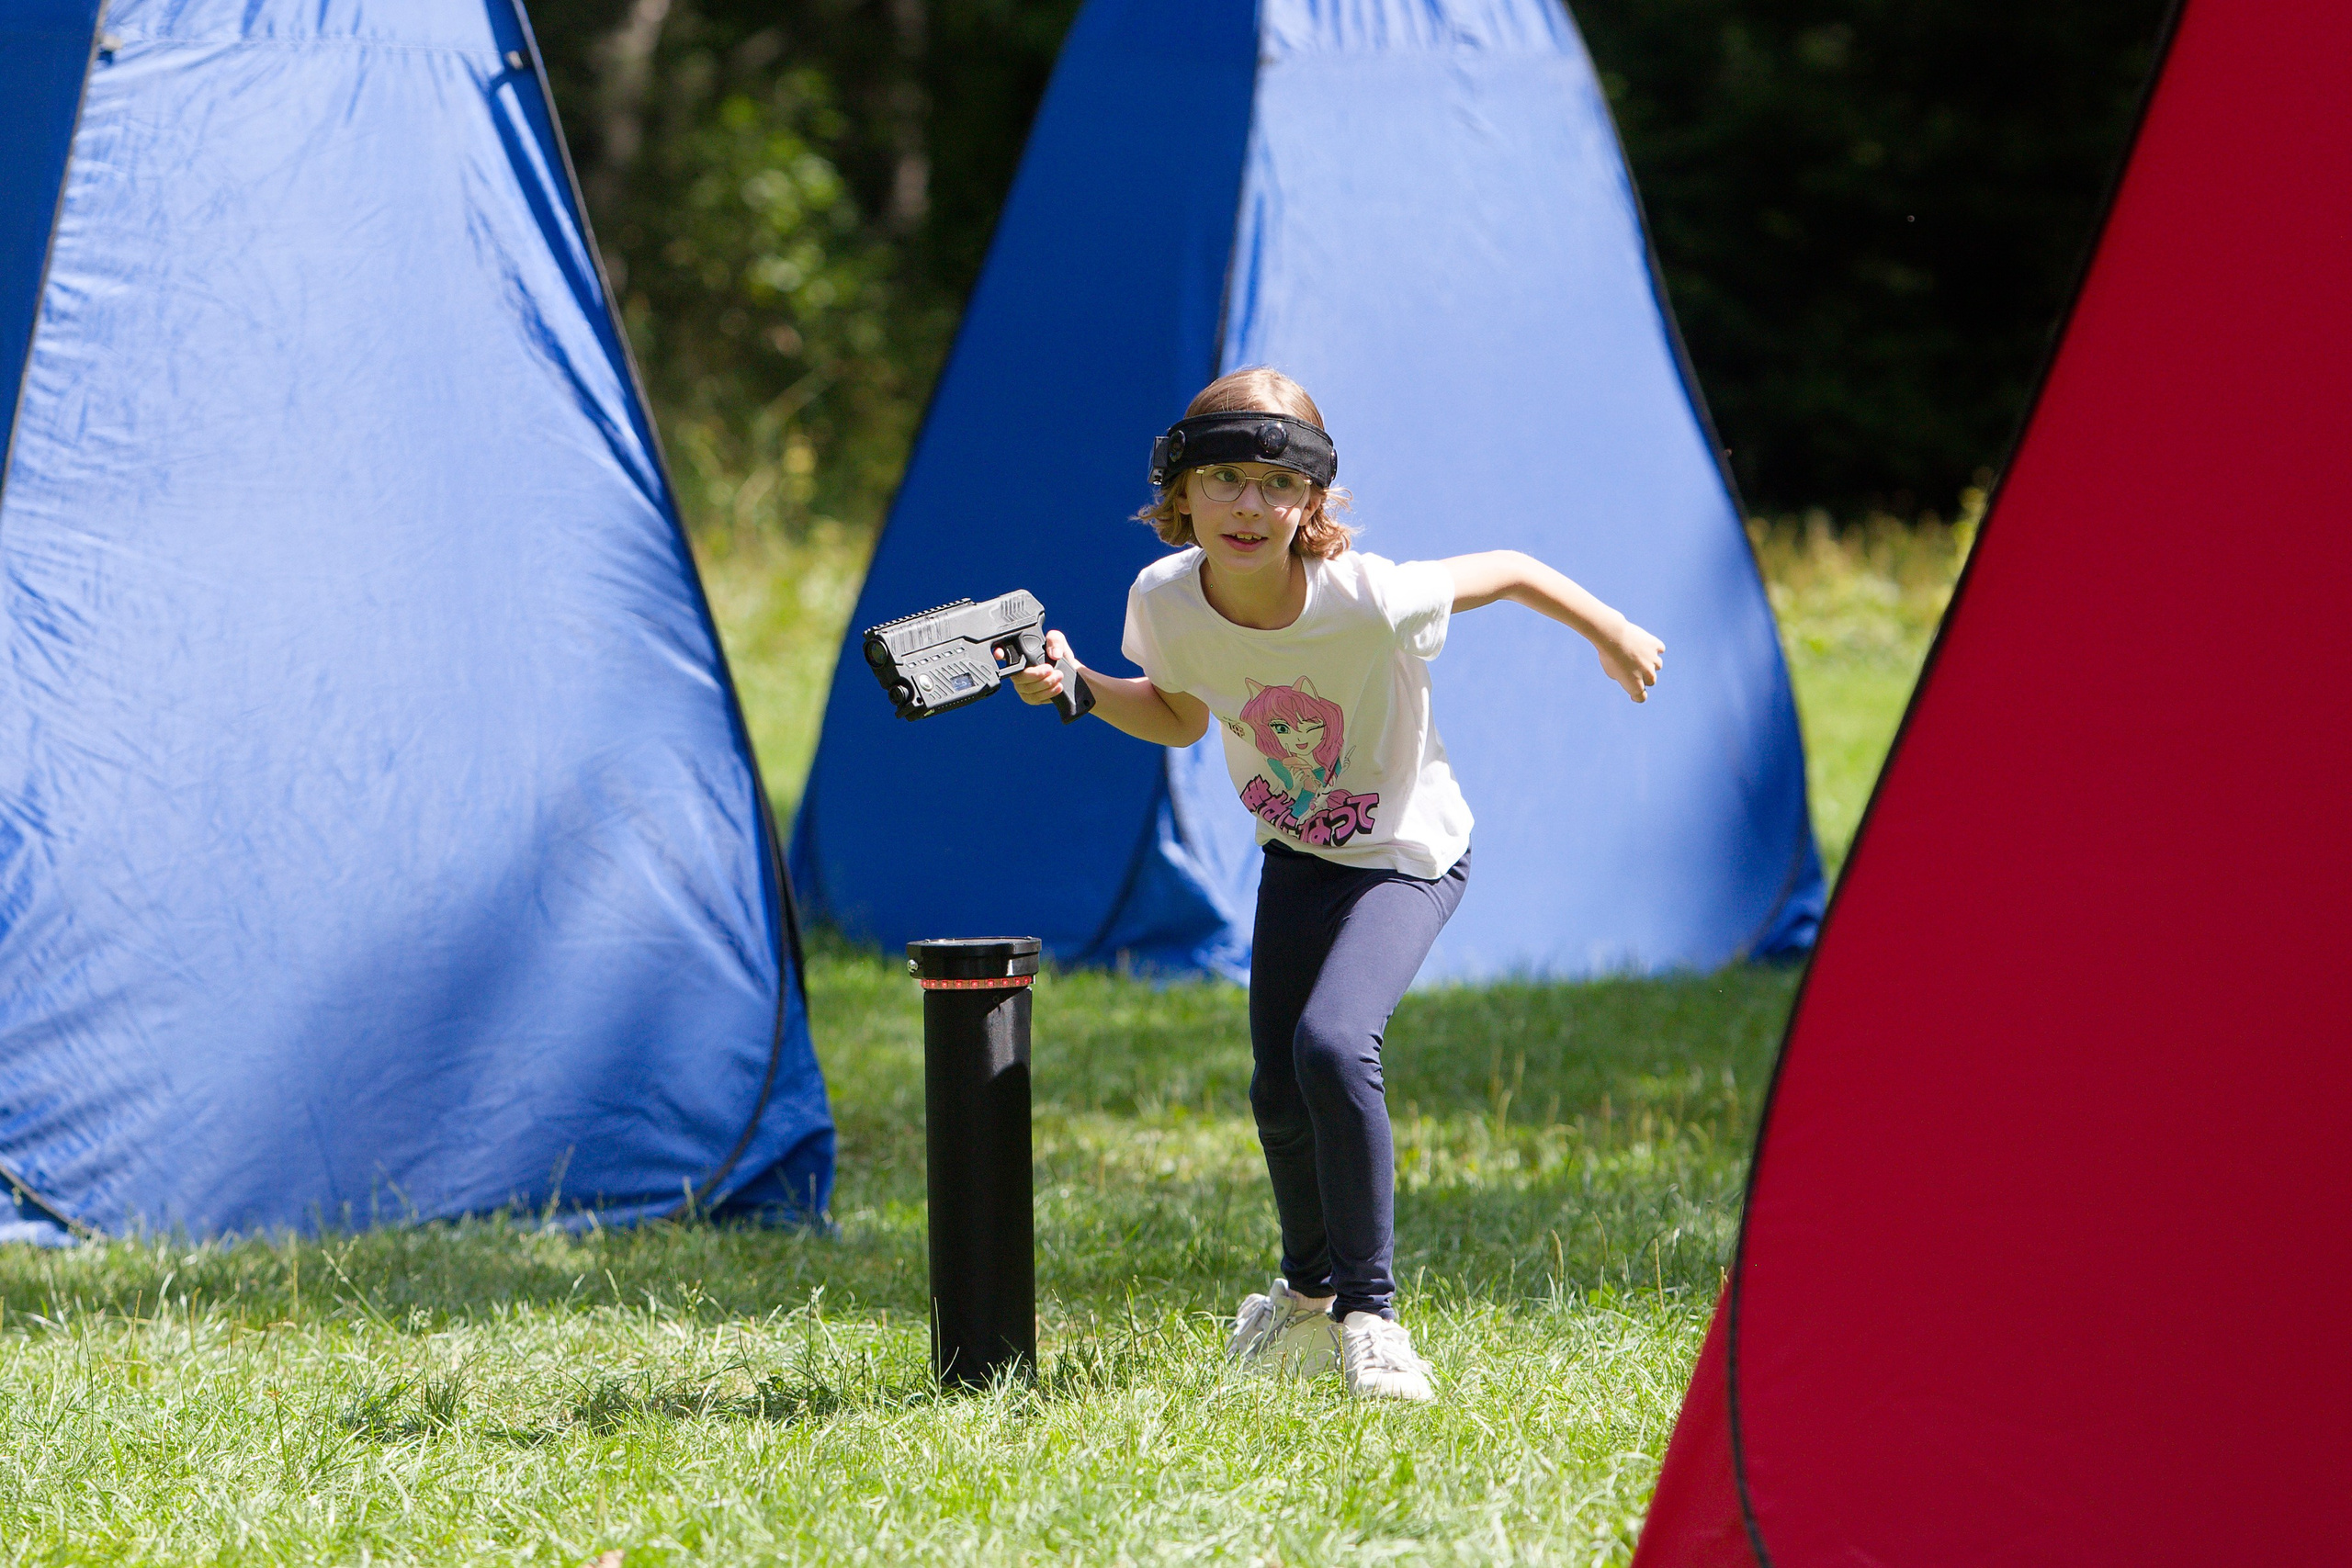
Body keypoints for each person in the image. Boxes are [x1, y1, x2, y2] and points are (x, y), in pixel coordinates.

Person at [1011, 367, 1664, 1402]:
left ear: (1312, 502)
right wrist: (1084, 690)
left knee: (1330, 1045)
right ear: (1178, 494)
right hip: (1299, 857)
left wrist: (1611, 632)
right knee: (1277, 1088)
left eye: (1277, 484)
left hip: (1407, 855)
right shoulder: (1164, 600)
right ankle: (1305, 1299)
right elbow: (1181, 715)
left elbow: (1507, 567)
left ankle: (1373, 1316)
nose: (1248, 505)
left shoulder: (1367, 599)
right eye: (1223, 478)